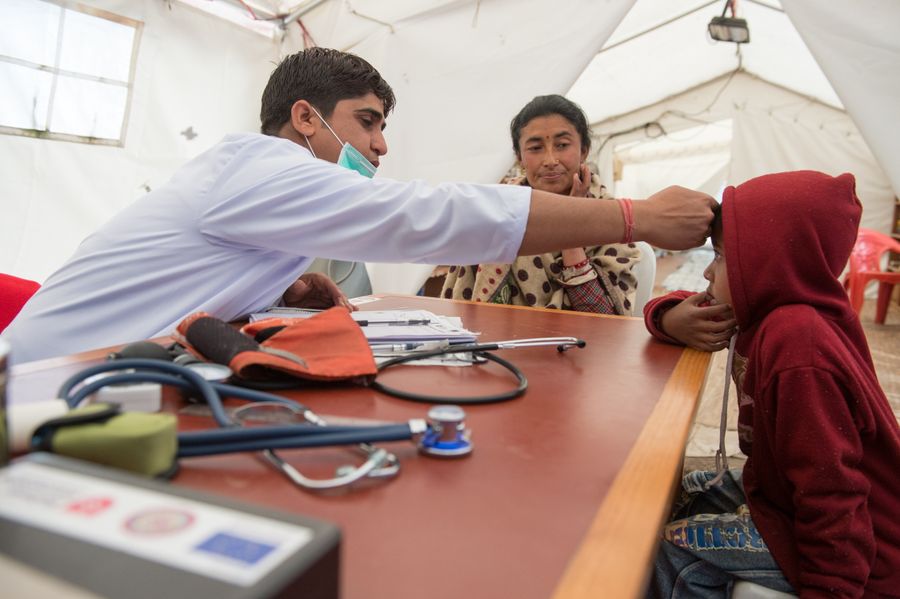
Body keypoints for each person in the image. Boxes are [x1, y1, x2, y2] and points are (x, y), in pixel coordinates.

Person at [3, 48, 716, 364]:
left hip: (89, 375)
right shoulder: (265, 171)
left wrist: (278, 287)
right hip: (41, 386)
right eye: (369, 122)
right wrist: (638, 216)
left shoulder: (254, 180)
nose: (380, 147)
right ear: (306, 119)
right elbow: (427, 215)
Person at [646, 171, 900, 598]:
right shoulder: (770, 306)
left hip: (863, 552)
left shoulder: (798, 348)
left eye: (722, 257)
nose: (708, 272)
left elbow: (833, 493)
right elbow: (670, 307)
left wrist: (831, 589)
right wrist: (669, 316)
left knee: (671, 555)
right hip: (777, 494)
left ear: (768, 261)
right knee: (679, 491)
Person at [442, 95, 640, 314]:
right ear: (519, 157)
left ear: (584, 150)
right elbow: (461, 313)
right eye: (535, 148)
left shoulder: (614, 220)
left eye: (562, 145)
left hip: (585, 345)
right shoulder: (494, 213)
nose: (550, 160)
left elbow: (606, 319)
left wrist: (571, 226)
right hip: (500, 344)